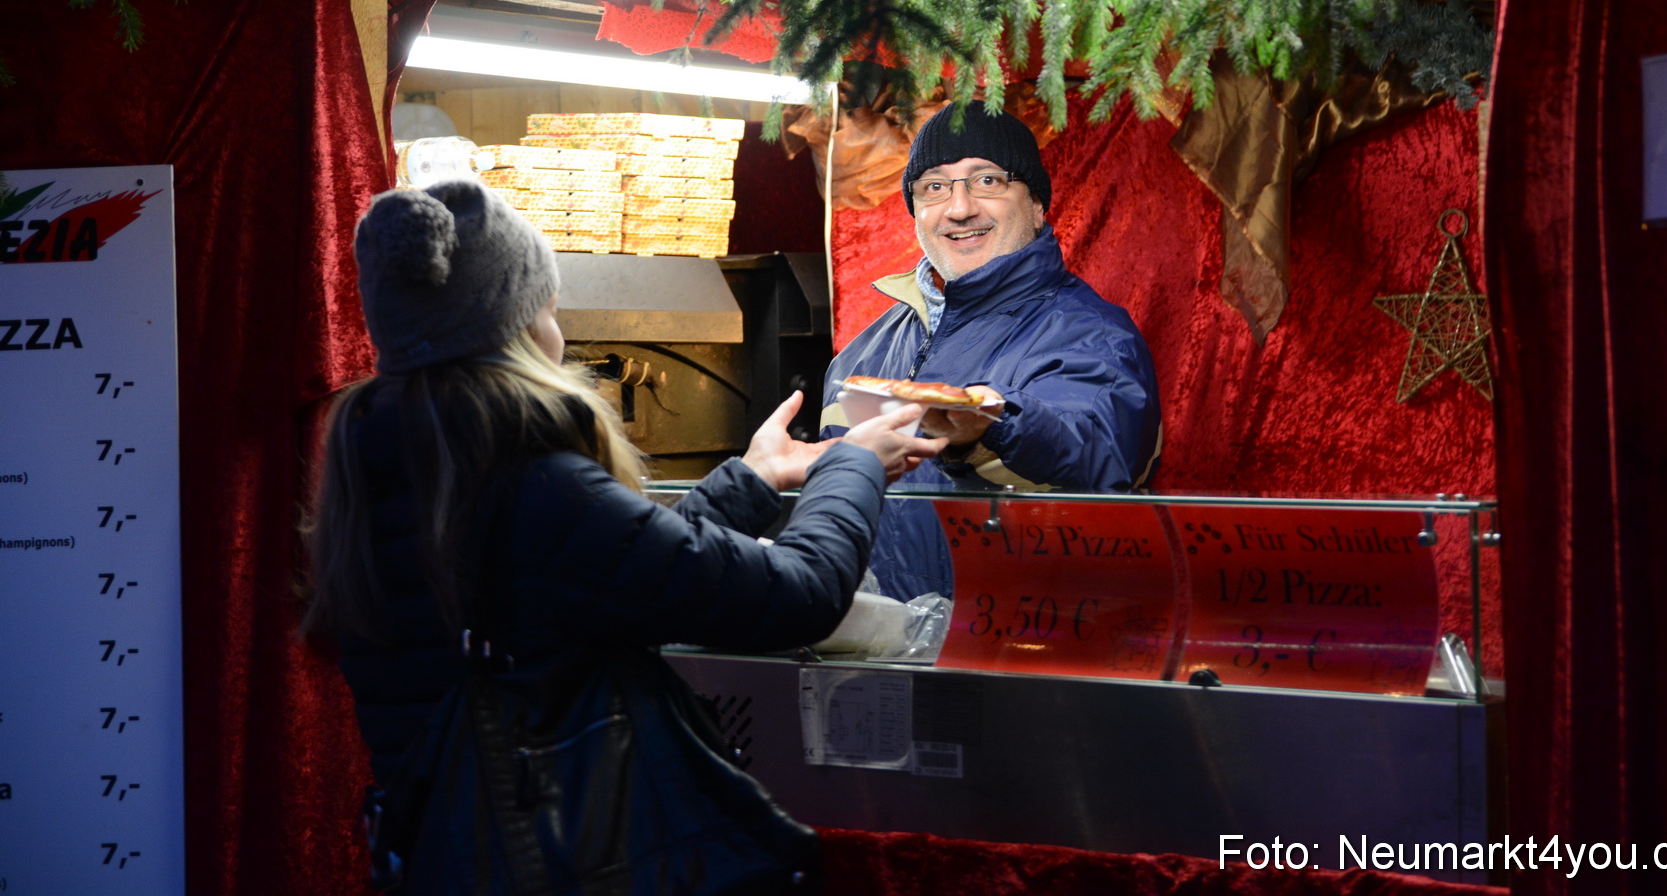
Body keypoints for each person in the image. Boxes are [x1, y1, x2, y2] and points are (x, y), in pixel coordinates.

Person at [302, 179, 941, 892]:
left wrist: (753, 479)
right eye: (548, 306)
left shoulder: (401, 467)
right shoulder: (531, 481)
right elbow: (802, 594)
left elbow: (603, 576)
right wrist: (853, 464)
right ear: (516, 324)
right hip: (573, 861)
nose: (561, 329)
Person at [820, 101, 1161, 600]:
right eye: (934, 187)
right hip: (880, 651)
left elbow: (1096, 460)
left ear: (1038, 204)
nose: (959, 209)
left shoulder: (1096, 336)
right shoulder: (861, 353)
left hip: (1017, 653)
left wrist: (992, 428)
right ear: (915, 210)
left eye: (987, 181)